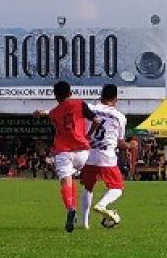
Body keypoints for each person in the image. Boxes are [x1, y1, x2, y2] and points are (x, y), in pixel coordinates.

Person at [33, 80, 98, 233]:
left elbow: (52, 113)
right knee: (87, 183)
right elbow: (96, 120)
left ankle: (71, 208)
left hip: (63, 151)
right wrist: (88, 135)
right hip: (82, 150)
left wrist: (40, 112)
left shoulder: (55, 112)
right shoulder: (80, 104)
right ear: (70, 92)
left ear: (56, 96)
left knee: (66, 181)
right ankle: (86, 215)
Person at [79, 84, 128, 229]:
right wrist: (130, 146)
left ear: (101, 96)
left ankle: (84, 222)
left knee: (88, 187)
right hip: (107, 154)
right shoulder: (120, 117)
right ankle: (102, 205)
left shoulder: (91, 109)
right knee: (117, 187)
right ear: (116, 99)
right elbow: (120, 142)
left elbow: (77, 107)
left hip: (89, 153)